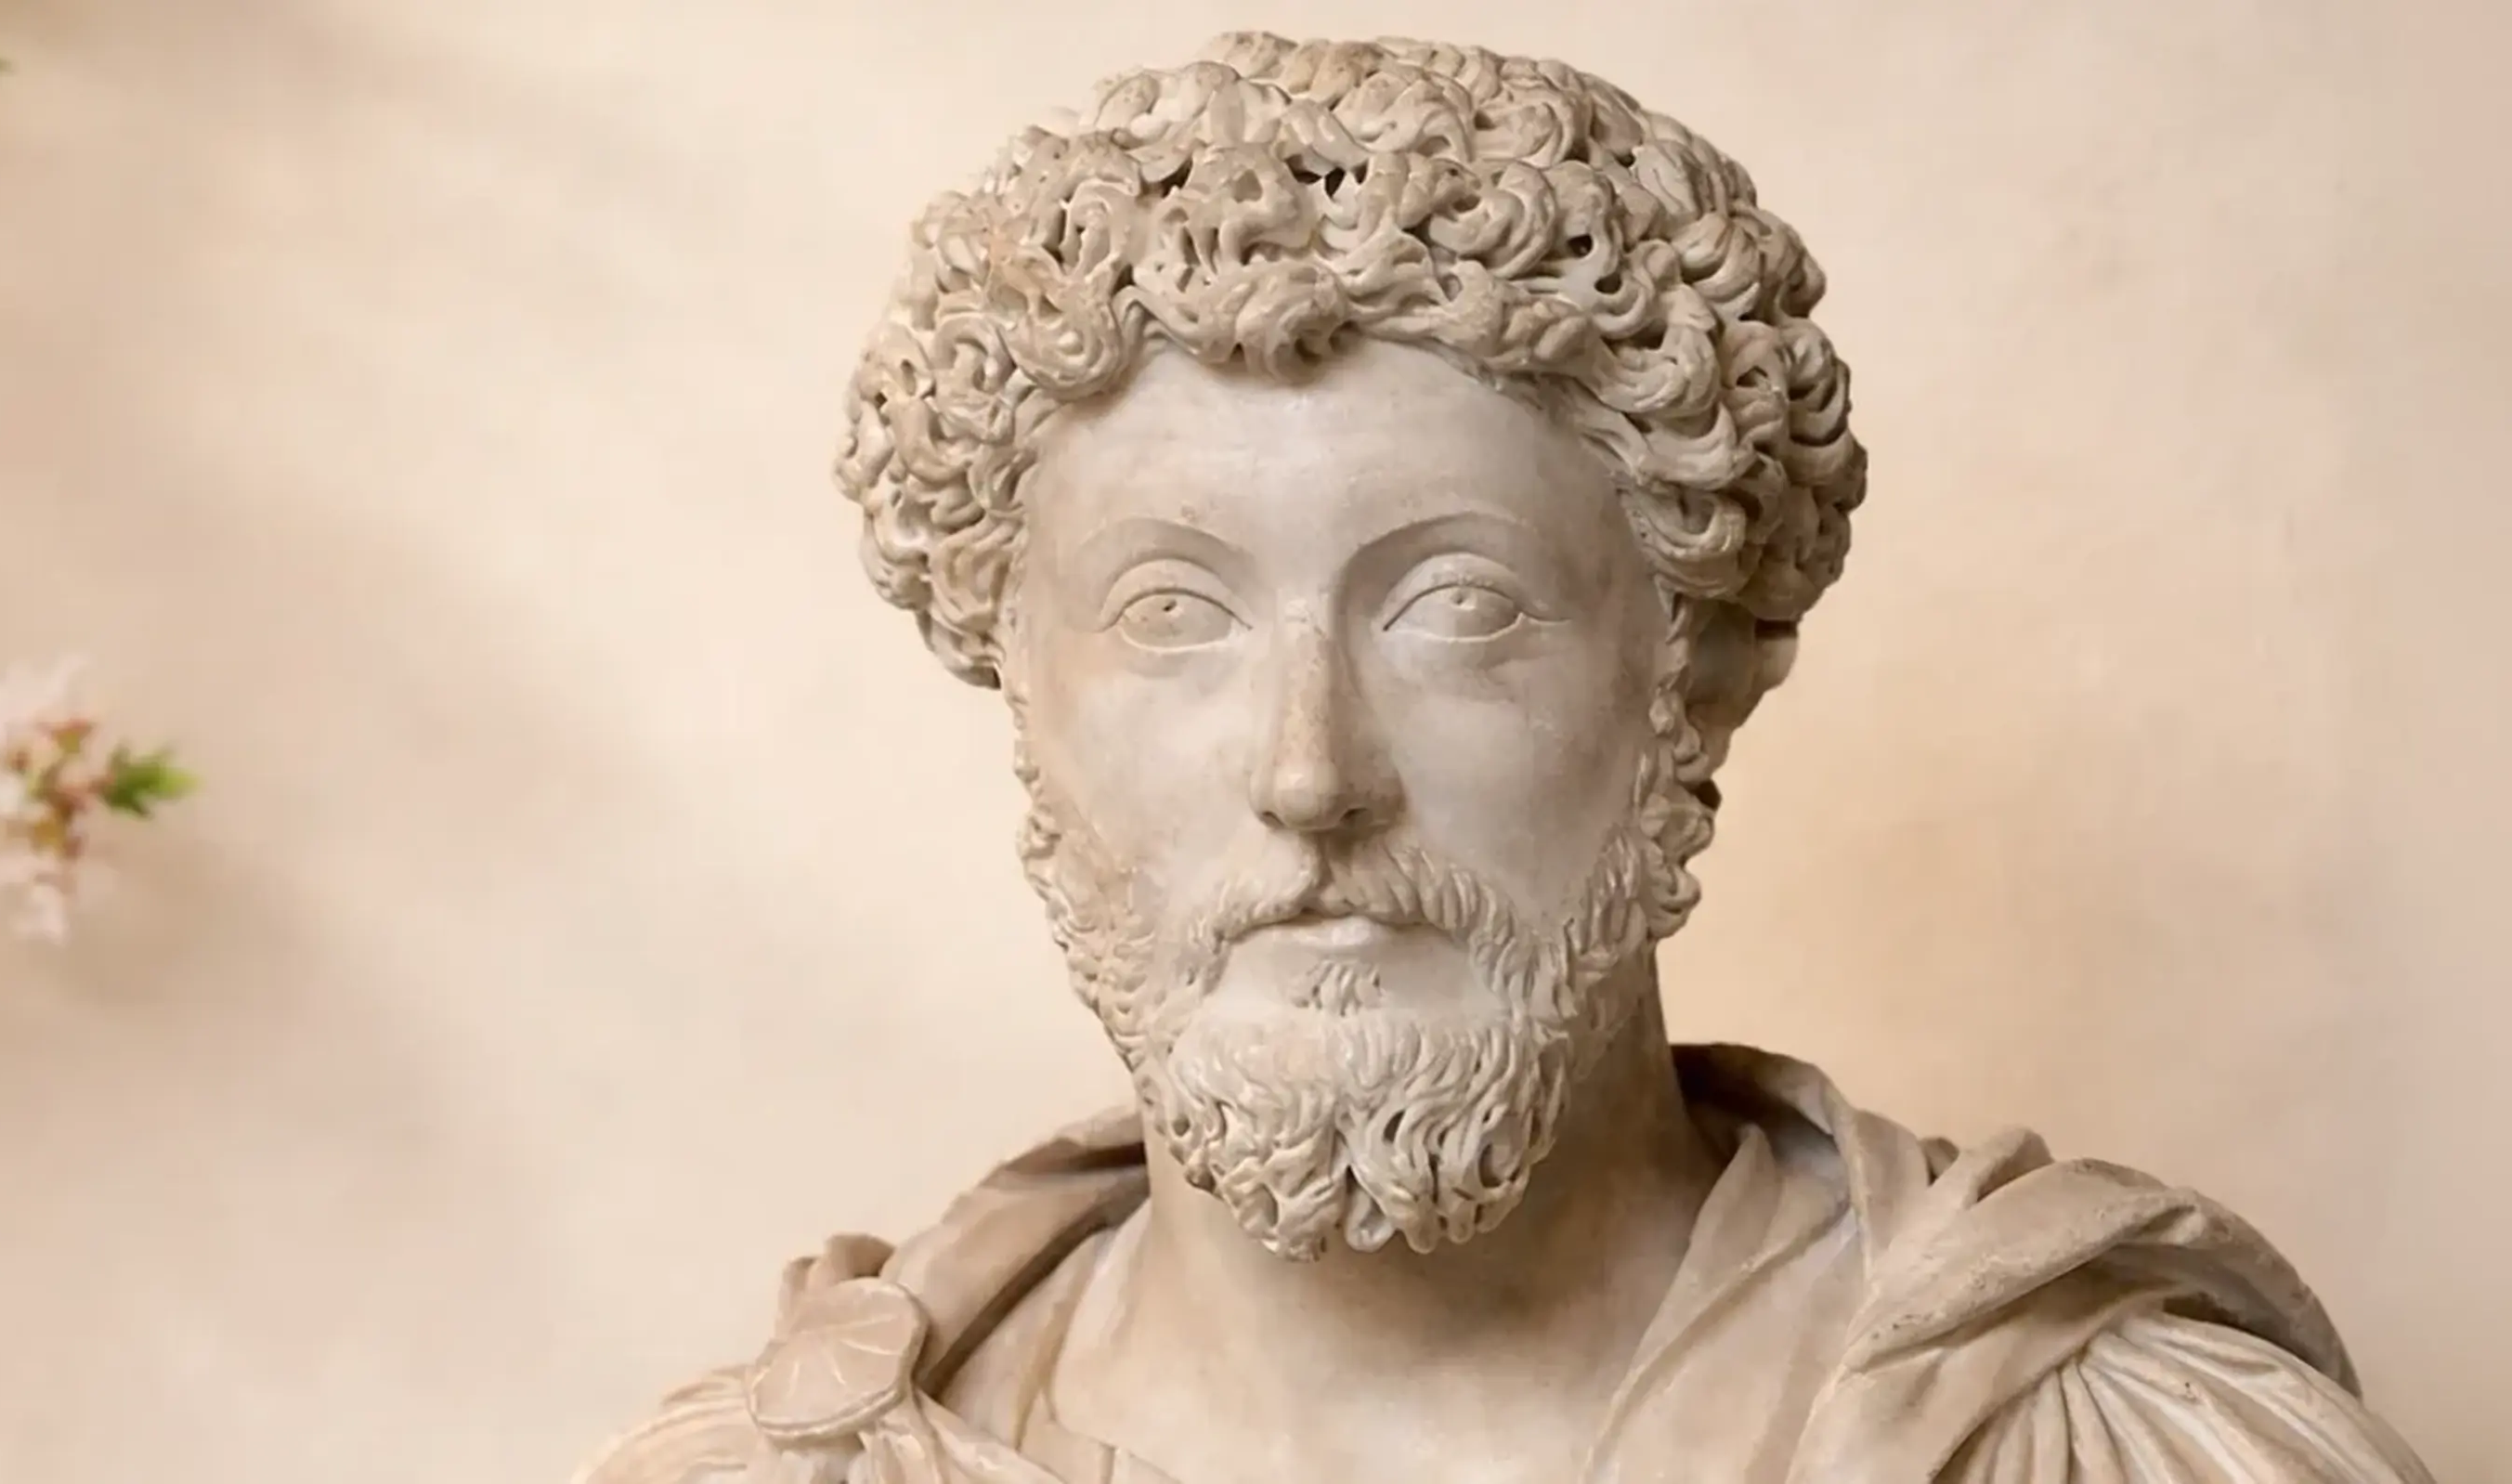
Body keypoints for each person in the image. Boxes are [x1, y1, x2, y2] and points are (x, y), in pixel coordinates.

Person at [576, 32, 2437, 1484]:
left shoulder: (2123, 1451)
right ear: (1020, 691)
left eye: (1453, 607)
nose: (1312, 775)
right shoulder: (790, 1464)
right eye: (1173, 615)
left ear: (1697, 672)